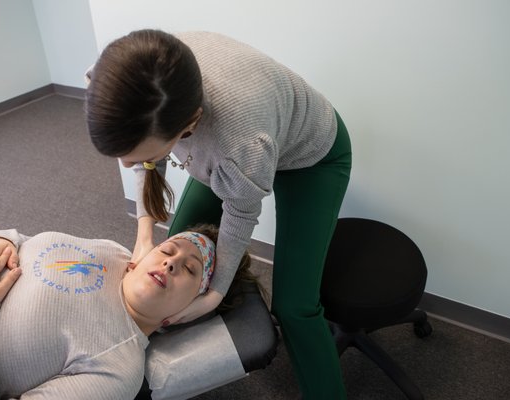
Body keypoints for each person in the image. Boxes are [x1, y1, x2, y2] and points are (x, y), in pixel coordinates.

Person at [84, 29, 352, 398]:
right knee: (179, 239)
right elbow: (145, 162)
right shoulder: (128, 72)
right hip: (238, 138)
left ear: (189, 125)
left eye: (138, 154)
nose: (127, 163)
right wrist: (144, 236)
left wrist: (213, 295)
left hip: (311, 157)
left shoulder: (237, 147)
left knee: (294, 308)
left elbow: (240, 216)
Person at [0, 225, 218, 400]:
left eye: (190, 270)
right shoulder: (112, 251)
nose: (171, 263)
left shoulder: (118, 371)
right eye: (167, 250)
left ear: (185, 312)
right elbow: (24, 241)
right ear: (137, 261)